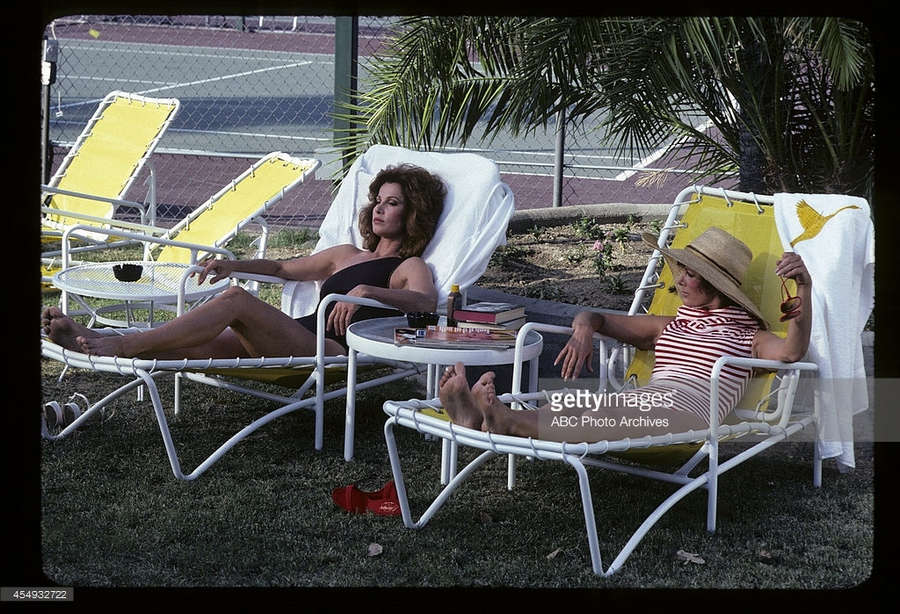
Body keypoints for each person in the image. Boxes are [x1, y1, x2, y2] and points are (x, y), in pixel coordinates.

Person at [438, 226, 813, 442]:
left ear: (717, 284)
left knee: (606, 414)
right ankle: (478, 419)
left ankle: (506, 422)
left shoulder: (745, 335)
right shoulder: (671, 325)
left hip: (688, 414)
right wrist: (583, 329)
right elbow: (597, 316)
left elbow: (792, 351)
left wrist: (803, 290)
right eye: (680, 269)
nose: (679, 279)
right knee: (573, 406)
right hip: (646, 401)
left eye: (690, 273)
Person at [43, 163, 447, 359]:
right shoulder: (346, 254)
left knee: (235, 301)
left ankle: (120, 345)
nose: (379, 209)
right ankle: (88, 340)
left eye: (392, 203)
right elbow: (282, 270)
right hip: (293, 332)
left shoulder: (407, 266)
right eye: (377, 200)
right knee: (195, 346)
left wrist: (365, 291)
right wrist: (232, 265)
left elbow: (426, 304)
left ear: (413, 213)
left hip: (331, 349)